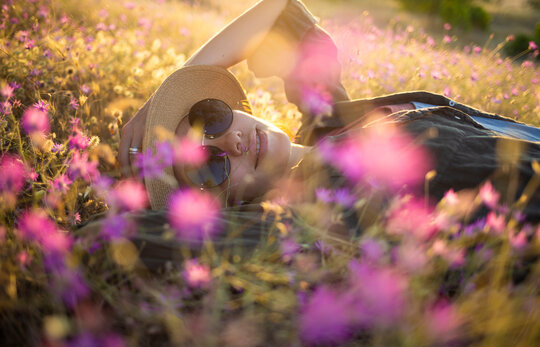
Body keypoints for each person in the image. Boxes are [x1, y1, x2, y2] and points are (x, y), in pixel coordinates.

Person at [88, 0, 540, 269]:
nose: (232, 143)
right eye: (212, 167)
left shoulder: (327, 118)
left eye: (212, 119)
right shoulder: (318, 212)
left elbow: (282, 13)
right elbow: (106, 235)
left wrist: (162, 98)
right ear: (229, 207)